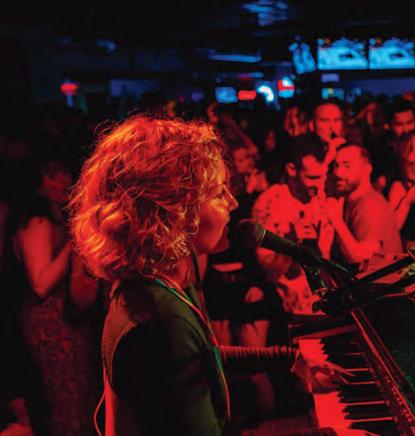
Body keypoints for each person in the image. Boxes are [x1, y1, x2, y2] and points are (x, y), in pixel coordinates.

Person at [68, 116, 339, 435]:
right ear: (174, 210)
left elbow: (203, 356)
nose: (233, 203)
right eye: (219, 193)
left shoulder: (154, 283)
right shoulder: (161, 322)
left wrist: (290, 359)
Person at [13, 159, 101, 435]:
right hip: (49, 320)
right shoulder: (38, 221)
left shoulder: (57, 218)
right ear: (38, 184)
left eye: (64, 173)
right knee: (67, 396)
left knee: (79, 393)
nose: (62, 181)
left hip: (64, 317)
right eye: (52, 175)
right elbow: (40, 284)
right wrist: (74, 242)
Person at [251, 134, 334, 315]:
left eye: (323, 176)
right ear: (291, 169)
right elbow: (268, 273)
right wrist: (291, 244)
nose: (320, 185)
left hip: (328, 306)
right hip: (290, 312)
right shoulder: (269, 204)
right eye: (312, 178)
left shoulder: (326, 197)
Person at [326, 144, 403, 265]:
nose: (338, 173)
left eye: (347, 166)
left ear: (366, 169)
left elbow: (362, 258)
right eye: (336, 166)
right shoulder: (348, 201)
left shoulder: (371, 205)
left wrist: (335, 220)